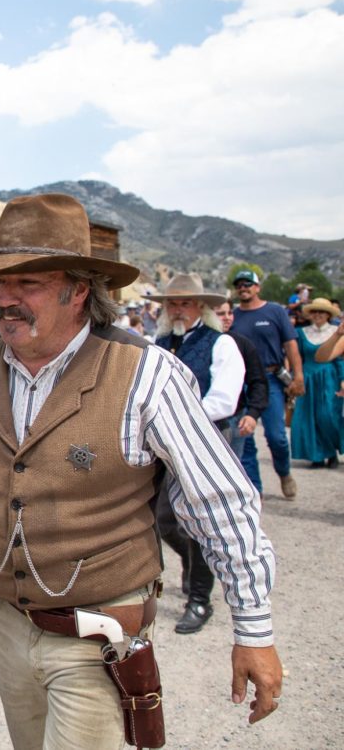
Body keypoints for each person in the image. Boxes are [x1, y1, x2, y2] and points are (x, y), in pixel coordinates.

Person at [0, 194, 282, 745]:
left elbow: (221, 502)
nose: (5, 299)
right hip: (12, 627)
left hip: (103, 636)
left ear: (79, 290)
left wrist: (254, 629)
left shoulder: (146, 374)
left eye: (28, 283)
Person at [147, 274, 245, 635]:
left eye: (185, 303)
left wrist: (183, 419)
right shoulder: (158, 343)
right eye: (172, 303)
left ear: (200, 307)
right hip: (165, 441)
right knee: (163, 519)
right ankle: (192, 562)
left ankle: (200, 600)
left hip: (207, 438)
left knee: (202, 522)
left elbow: (224, 399)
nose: (177, 309)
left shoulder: (220, 344)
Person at [230, 269, 303, 499]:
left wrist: (298, 376)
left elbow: (291, 345)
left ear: (257, 287)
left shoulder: (275, 311)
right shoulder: (232, 316)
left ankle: (284, 472)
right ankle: (255, 489)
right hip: (241, 381)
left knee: (277, 436)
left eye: (248, 284)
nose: (244, 288)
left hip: (271, 378)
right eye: (240, 284)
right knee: (244, 436)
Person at [290, 298, 344, 468]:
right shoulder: (301, 332)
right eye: (315, 311)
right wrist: (295, 377)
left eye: (322, 311)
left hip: (329, 376)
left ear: (328, 314)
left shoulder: (337, 331)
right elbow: (296, 356)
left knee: (328, 415)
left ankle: (332, 450)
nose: (318, 315)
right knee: (308, 417)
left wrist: (342, 379)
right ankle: (318, 455)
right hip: (308, 376)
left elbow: (340, 359)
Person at [213, 299, 269, 460]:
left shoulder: (242, 343)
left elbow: (258, 381)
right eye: (221, 314)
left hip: (234, 418)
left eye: (230, 312)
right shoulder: (196, 343)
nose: (227, 318)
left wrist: (252, 414)